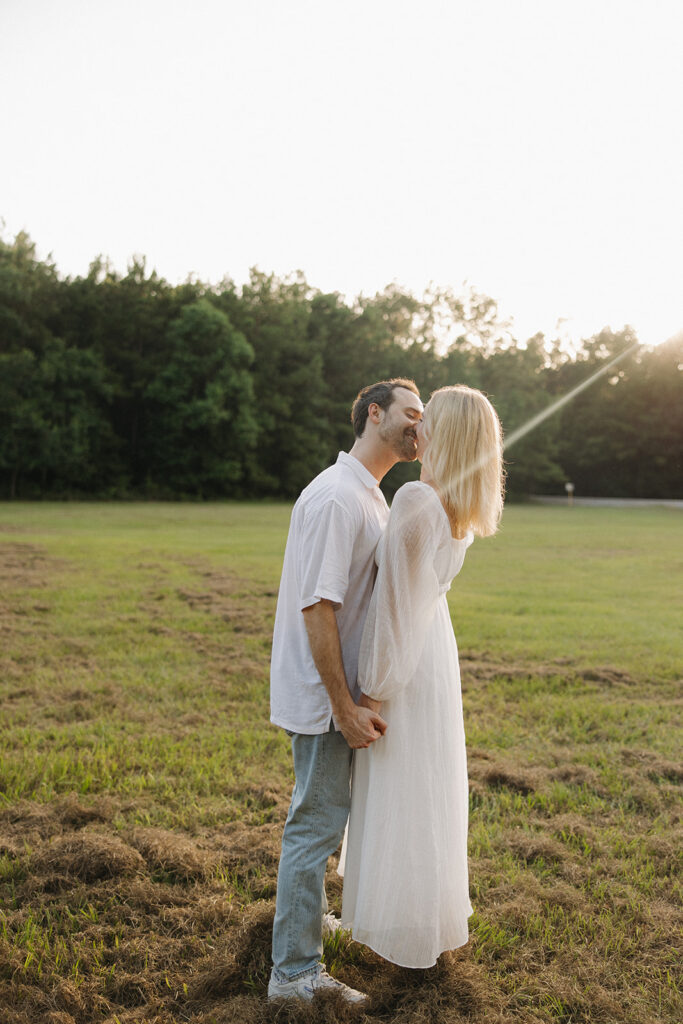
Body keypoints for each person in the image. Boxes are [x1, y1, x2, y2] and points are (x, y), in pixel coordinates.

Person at [268, 378, 424, 1003]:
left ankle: (310, 921)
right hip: (327, 699)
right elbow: (317, 608)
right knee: (315, 824)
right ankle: (294, 974)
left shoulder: (372, 498)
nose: (422, 424)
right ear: (374, 413)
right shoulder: (337, 497)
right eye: (413, 413)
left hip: (347, 697)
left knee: (328, 819)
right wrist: (344, 707)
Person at [339, 385, 504, 968]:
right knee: (421, 788)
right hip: (435, 655)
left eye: (428, 416)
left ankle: (396, 925)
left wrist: (369, 694)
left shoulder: (415, 499)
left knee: (400, 787)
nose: (419, 423)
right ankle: (415, 918)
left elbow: (393, 610)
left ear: (446, 433)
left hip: (408, 661)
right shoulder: (457, 507)